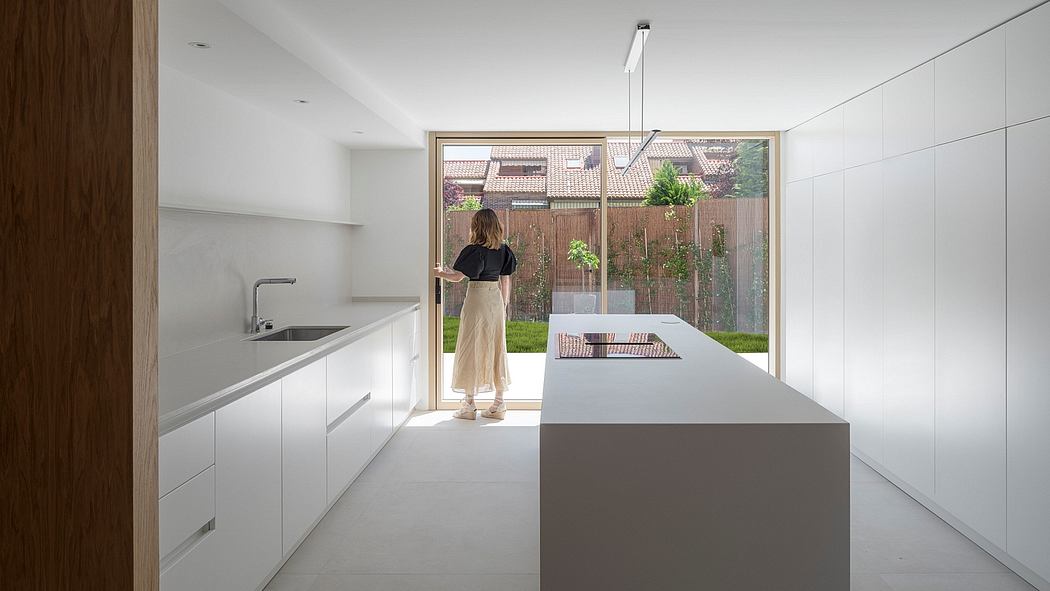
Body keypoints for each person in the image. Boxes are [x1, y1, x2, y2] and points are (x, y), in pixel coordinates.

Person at [434, 208, 517, 420]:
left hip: (477, 299)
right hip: (495, 300)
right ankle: (499, 403)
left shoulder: (474, 250)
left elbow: (457, 277)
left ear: (477, 226)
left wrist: (439, 273)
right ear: (496, 225)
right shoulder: (504, 250)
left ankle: (469, 404)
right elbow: (506, 280)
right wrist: (504, 305)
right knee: (497, 346)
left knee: (471, 345)